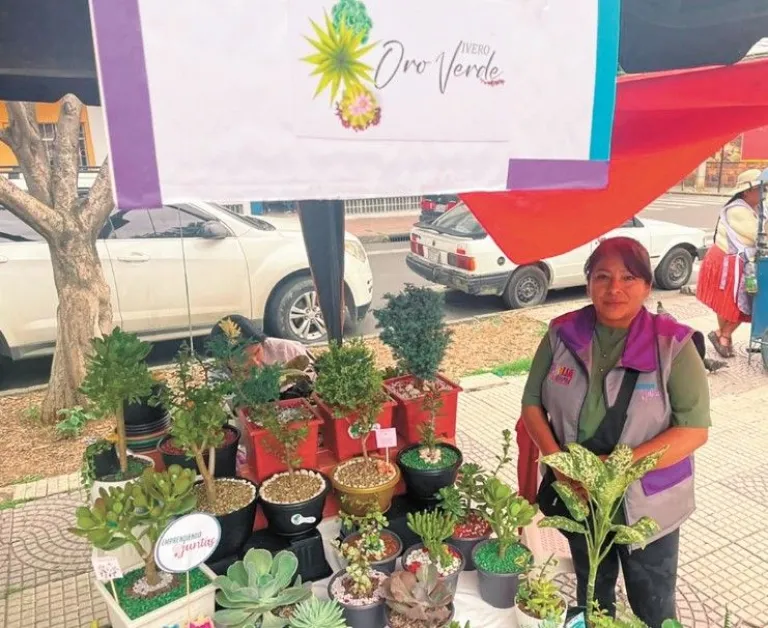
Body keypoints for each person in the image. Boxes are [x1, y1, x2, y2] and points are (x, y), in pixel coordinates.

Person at [521, 237, 710, 627]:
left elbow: (693, 431)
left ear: (648, 285)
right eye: (603, 276)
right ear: (588, 282)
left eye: (629, 277)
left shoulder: (673, 346)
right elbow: (531, 404)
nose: (614, 288)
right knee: (593, 591)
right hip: (578, 492)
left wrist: (616, 468)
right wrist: (560, 468)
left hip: (648, 503)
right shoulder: (562, 333)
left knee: (652, 605)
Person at [697, 168, 765, 357]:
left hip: (737, 261)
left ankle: (723, 336)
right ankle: (724, 335)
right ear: (747, 191)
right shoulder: (737, 210)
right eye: (761, 188)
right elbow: (758, 235)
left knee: (732, 303)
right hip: (726, 261)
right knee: (741, 303)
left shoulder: (756, 207)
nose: (764, 192)